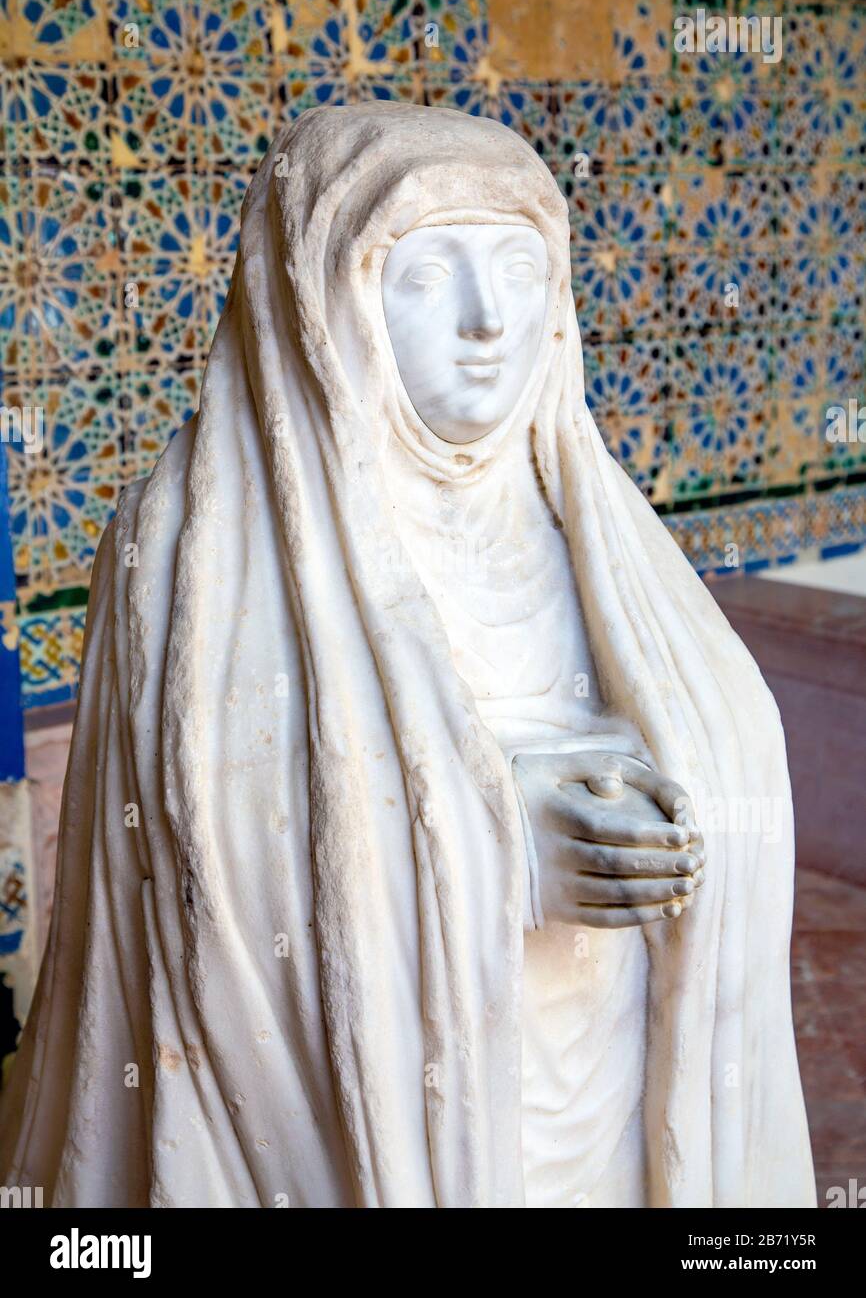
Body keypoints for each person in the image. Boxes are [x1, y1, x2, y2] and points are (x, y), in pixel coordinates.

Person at [0, 102, 814, 1207]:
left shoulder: (598, 526)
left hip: (605, 1084)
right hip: (369, 1132)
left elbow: (720, 740)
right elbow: (208, 851)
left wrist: (662, 800)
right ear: (317, 293)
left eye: (520, 271)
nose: (489, 321)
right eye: (426, 278)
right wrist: (501, 842)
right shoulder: (194, 543)